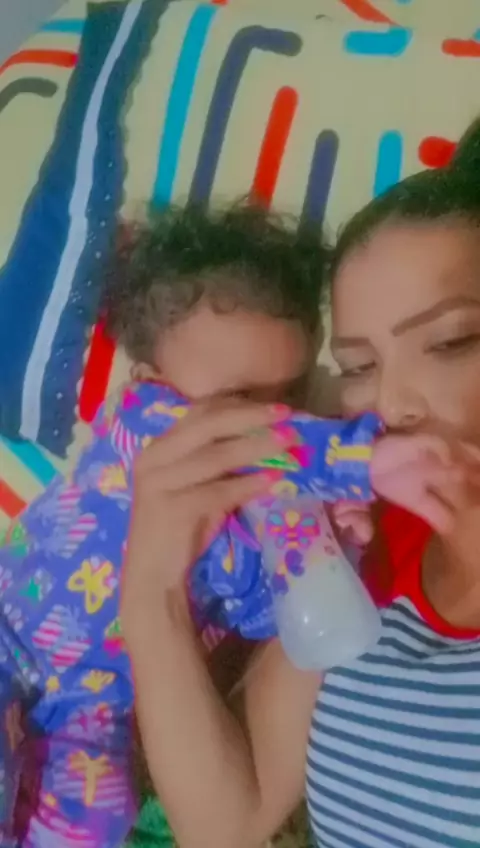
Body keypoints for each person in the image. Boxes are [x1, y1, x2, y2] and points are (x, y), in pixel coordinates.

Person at [121, 153, 480, 848]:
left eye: (453, 340)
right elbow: (228, 823)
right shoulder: (367, 540)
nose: (392, 405)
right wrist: (151, 594)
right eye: (359, 367)